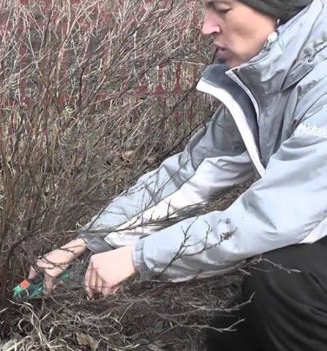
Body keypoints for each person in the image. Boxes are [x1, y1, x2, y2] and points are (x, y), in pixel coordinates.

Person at [27, 0, 327, 349]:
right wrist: (84, 243)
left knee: (284, 283)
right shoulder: (269, 81)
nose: (207, 26)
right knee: (231, 336)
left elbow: (270, 218)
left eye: (223, 9)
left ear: (277, 10)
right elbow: (189, 176)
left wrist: (137, 257)